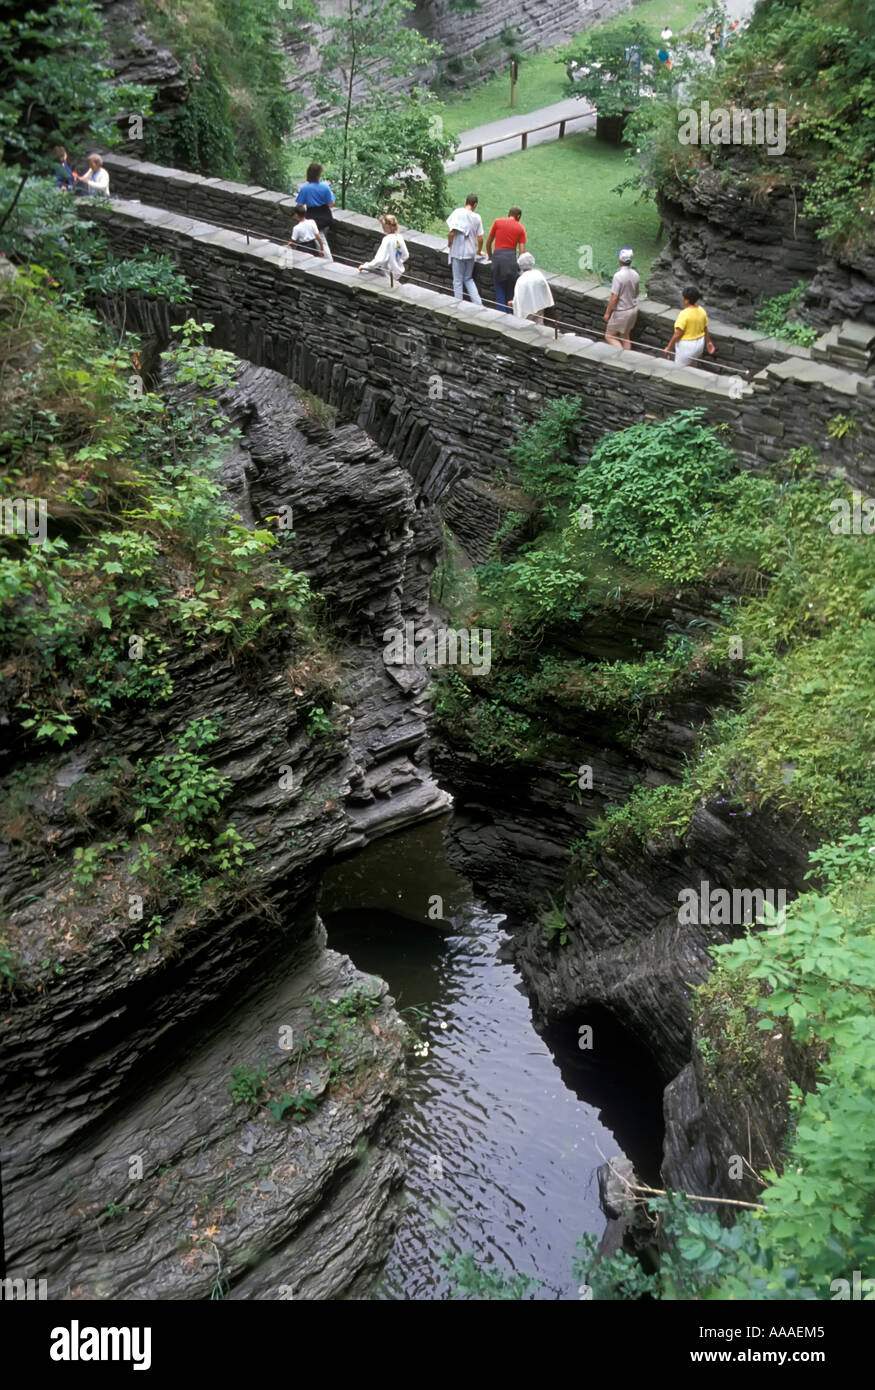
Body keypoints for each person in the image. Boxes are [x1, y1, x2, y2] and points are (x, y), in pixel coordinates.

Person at [485, 205, 526, 312]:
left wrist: (490, 256)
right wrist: (520, 267)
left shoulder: (497, 222)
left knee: (499, 290)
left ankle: (500, 318)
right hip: (511, 262)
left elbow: (488, 242)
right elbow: (522, 253)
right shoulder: (520, 228)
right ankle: (510, 316)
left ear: (509, 214)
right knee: (510, 293)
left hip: (497, 260)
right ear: (518, 216)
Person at [446, 193, 484, 305]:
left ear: (465, 201)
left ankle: (458, 305)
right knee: (468, 279)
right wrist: (478, 251)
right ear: (475, 204)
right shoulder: (477, 218)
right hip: (470, 253)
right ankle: (478, 304)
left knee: (457, 281)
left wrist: (449, 243)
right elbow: (480, 238)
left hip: (458, 252)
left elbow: (452, 233)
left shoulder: (458, 213)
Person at [664, 286, 716, 365]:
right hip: (699, 344)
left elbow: (678, 333)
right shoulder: (702, 311)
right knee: (692, 366)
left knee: (680, 369)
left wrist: (668, 347)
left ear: (686, 300)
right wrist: (708, 342)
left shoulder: (684, 314)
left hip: (687, 347)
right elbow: (705, 328)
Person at [603, 247, 640, 350]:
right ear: (630, 260)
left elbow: (614, 297)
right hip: (633, 309)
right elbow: (637, 293)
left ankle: (621, 356)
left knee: (609, 336)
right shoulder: (635, 274)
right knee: (625, 336)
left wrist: (607, 313)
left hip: (622, 311)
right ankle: (627, 357)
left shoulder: (618, 276)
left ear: (620, 259)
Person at [358, 213, 409, 285]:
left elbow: (380, 259)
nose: (382, 227)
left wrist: (365, 266)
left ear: (388, 225)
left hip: (388, 274)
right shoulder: (399, 237)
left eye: (383, 225)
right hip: (397, 273)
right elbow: (405, 255)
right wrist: (397, 262)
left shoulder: (387, 239)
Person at [508, 252, 554, 325]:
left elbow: (519, 298)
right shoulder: (538, 274)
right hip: (540, 306)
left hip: (527, 311)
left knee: (527, 328)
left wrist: (513, 303)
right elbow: (544, 290)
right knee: (539, 324)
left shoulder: (521, 280)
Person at [295, 162, 336, 239]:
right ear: (319, 174)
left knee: (315, 238)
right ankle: (323, 249)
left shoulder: (305, 188)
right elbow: (331, 204)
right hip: (325, 216)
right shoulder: (325, 187)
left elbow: (299, 205)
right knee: (321, 237)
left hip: (311, 216)